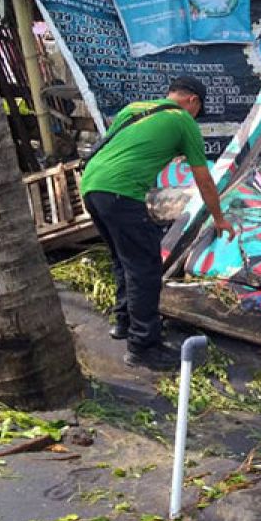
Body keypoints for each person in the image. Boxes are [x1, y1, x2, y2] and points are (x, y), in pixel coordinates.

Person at [81, 76, 236, 372]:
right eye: (196, 111)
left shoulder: (135, 109)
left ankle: (124, 323)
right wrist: (219, 218)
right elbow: (203, 178)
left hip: (92, 187)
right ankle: (143, 346)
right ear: (193, 101)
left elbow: (115, 150)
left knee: (123, 260)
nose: (195, 117)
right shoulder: (182, 120)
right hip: (120, 193)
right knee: (145, 268)